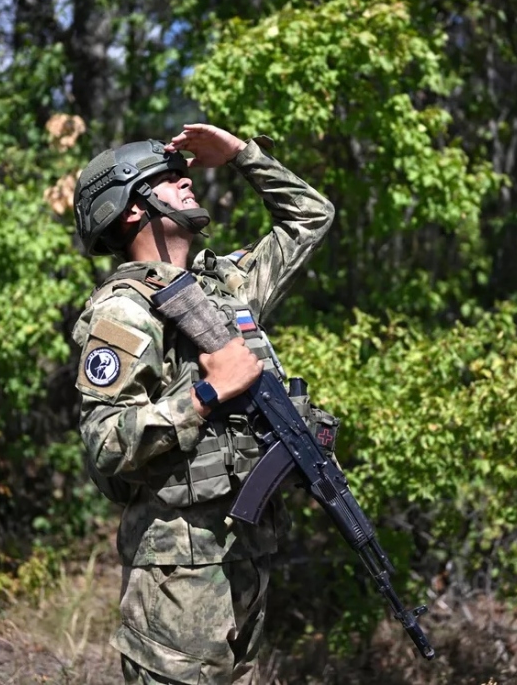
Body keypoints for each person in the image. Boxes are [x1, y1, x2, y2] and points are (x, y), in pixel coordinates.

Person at [70, 123, 335, 684]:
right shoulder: (125, 313)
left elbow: (311, 216)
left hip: (246, 561)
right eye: (168, 179)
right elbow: (103, 447)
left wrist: (242, 154)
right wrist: (206, 394)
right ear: (131, 210)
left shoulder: (226, 288)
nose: (187, 180)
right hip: (176, 582)